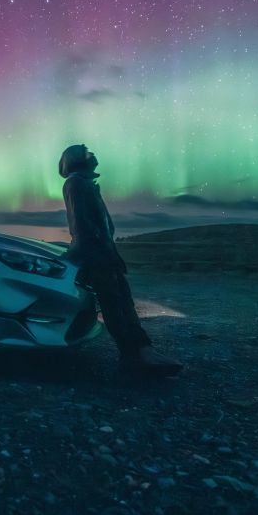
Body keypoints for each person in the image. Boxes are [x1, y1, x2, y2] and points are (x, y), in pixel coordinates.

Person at [59, 144, 182, 376]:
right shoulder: (75, 183)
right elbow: (81, 226)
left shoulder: (83, 183)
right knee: (114, 305)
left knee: (124, 303)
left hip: (105, 254)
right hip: (97, 256)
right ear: (75, 159)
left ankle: (143, 350)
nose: (93, 154)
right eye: (87, 152)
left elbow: (100, 226)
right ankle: (132, 355)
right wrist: (88, 256)